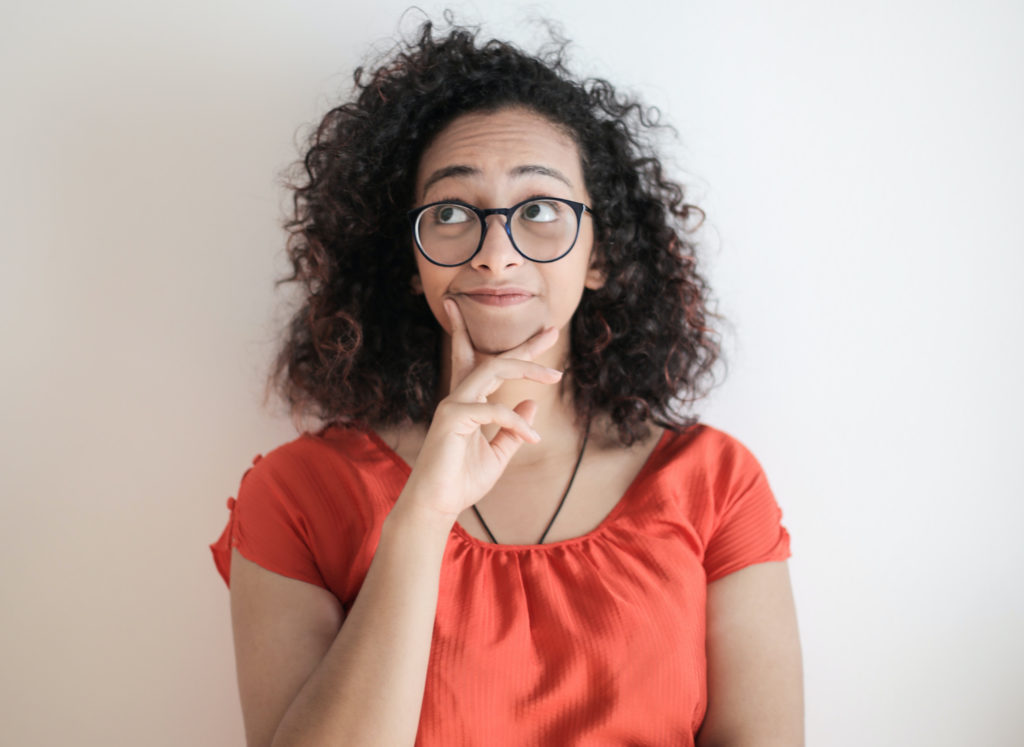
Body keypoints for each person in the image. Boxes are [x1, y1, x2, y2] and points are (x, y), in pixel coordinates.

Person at [209, 17, 803, 747]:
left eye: (541, 210)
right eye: (454, 212)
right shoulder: (298, 496)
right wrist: (423, 513)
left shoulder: (716, 484)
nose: (496, 254)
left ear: (599, 254)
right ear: (410, 258)